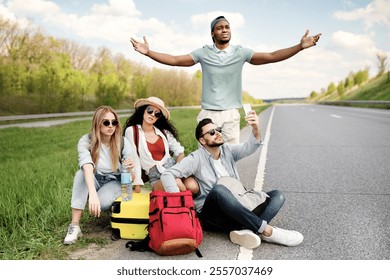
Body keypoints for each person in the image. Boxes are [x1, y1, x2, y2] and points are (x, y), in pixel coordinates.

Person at [130, 15, 321, 144]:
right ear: (212, 33)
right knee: (206, 157)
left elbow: (271, 56)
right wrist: (148, 53)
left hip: (230, 113)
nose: (224, 30)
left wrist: (299, 46)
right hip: (208, 113)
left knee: (229, 156)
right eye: (219, 28)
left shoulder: (240, 52)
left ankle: (229, 193)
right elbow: (175, 60)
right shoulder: (203, 52)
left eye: (227, 27)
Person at [160, 111, 303, 249]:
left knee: (278, 195)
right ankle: (265, 231)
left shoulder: (227, 151)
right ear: (202, 140)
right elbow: (167, 175)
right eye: (211, 132)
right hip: (213, 215)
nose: (217, 133)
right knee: (219, 190)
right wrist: (176, 204)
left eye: (218, 130)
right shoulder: (196, 158)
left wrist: (255, 128)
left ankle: (248, 230)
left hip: (236, 206)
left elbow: (250, 147)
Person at [64, 105, 142, 245]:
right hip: (94, 178)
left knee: (103, 203)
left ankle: (113, 210)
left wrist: (129, 170)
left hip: (115, 181)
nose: (111, 126)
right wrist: (92, 194)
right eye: (106, 122)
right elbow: (87, 167)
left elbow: (131, 178)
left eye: (114, 122)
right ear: (97, 123)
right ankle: (74, 225)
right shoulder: (86, 141)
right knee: (80, 174)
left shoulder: (123, 143)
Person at [123, 96, 198, 194]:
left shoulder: (164, 133)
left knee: (193, 186)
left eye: (157, 114)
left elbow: (180, 152)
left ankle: (188, 202)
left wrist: (177, 172)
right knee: (176, 184)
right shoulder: (132, 131)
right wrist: (137, 185)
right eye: (150, 110)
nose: (152, 115)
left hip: (173, 169)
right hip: (155, 177)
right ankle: (188, 204)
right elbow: (135, 158)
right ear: (143, 111)